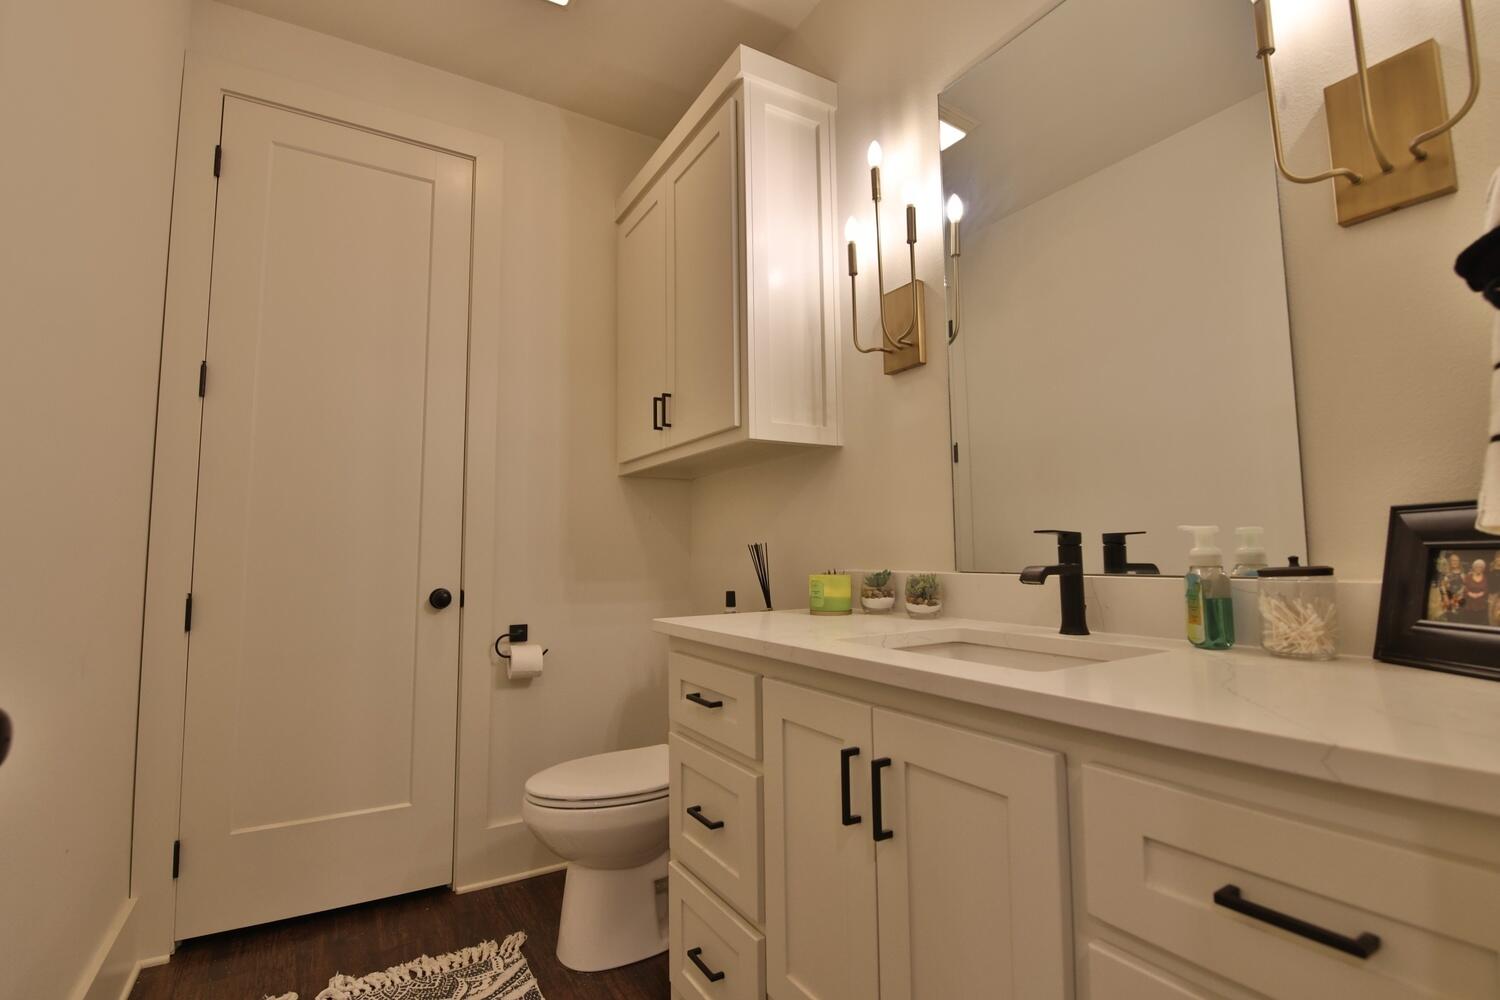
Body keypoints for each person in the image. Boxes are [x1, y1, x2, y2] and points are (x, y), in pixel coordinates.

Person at [1455, 558, 1491, 626]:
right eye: (1477, 567)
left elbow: (1487, 589)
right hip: (1469, 604)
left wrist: (1481, 594)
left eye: (1480, 567)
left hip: (1481, 605)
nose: (1478, 568)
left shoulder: (1486, 577)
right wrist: (1470, 593)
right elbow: (1464, 587)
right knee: (1468, 623)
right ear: (1474, 567)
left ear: (1483, 568)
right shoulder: (1468, 576)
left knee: (1479, 624)